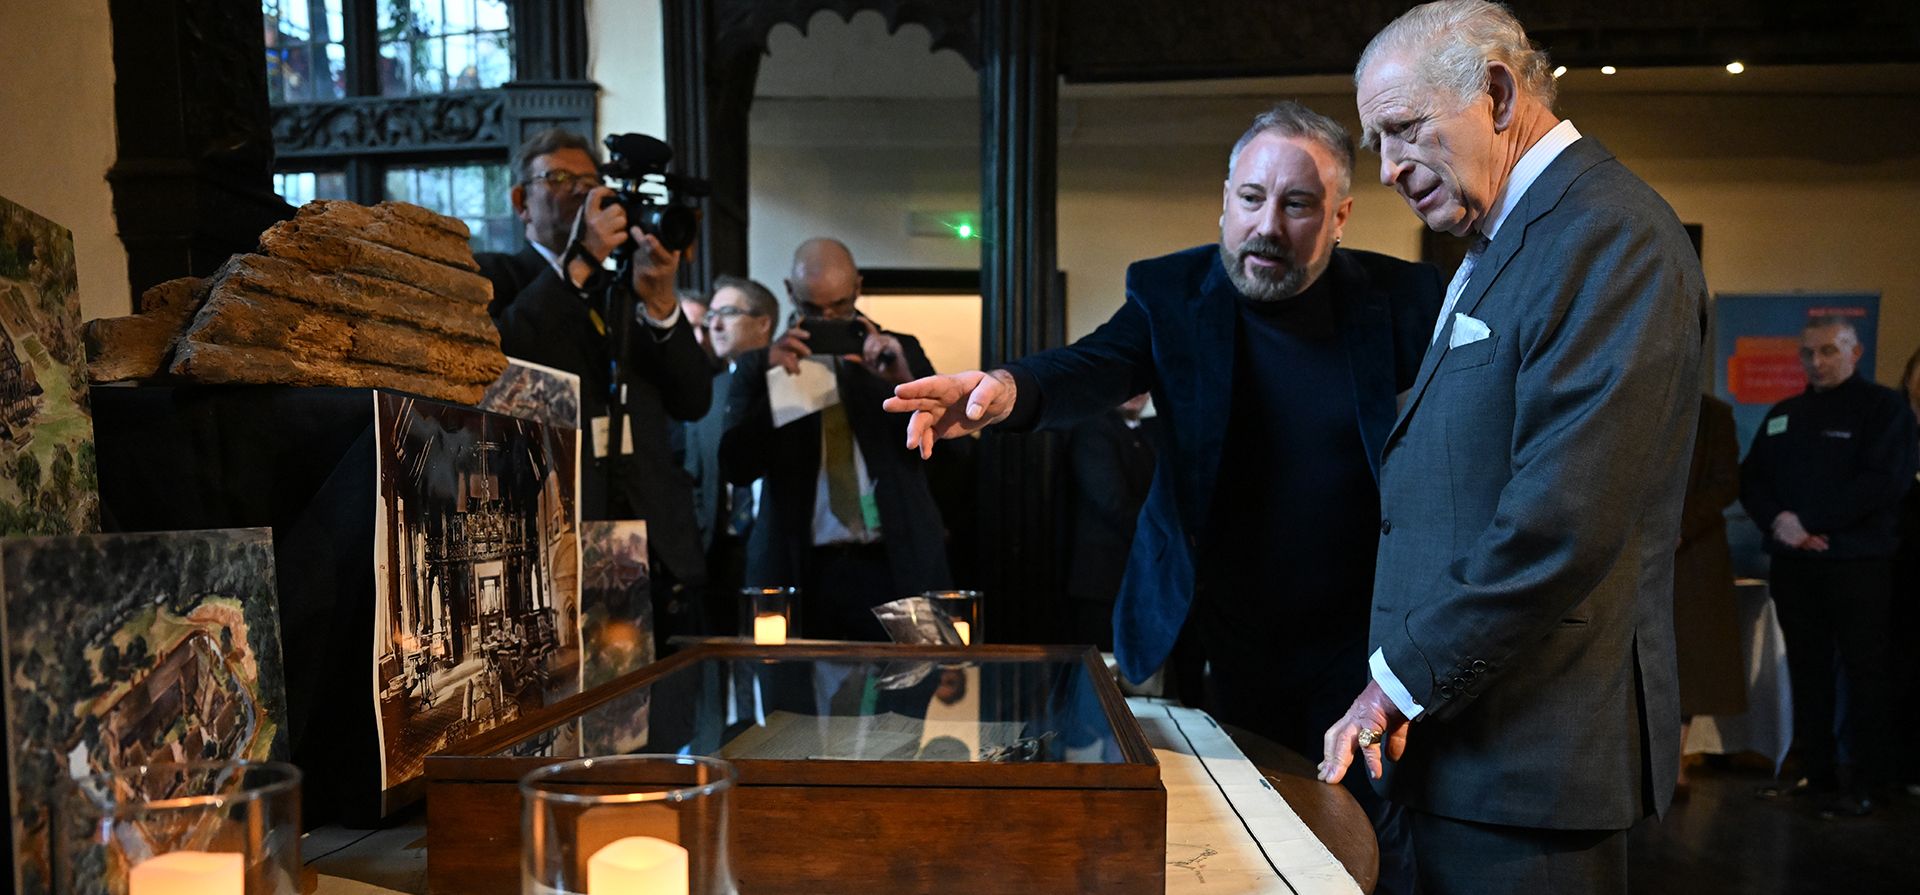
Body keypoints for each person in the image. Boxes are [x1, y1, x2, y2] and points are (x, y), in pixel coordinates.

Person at [883, 102, 1440, 894]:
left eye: (1297, 203)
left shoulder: (1411, 301)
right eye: (1250, 198)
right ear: (1224, 200)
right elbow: (1095, 364)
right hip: (1218, 635)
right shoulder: (1171, 291)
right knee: (1236, 845)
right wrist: (1004, 389)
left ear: (1341, 215)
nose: (1267, 226)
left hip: (1360, 641)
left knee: (1367, 854)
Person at [1315, 3, 1708, 892]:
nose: (1386, 169)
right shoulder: (1510, 236)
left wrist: (1398, 683)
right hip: (1467, 754)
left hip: (1533, 764)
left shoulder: (1611, 233)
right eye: (1377, 141)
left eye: (1404, 130)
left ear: (1495, 92)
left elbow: (1564, 516)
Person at [479, 128, 714, 643]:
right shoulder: (493, 278)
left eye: (590, 182)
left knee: (670, 715)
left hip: (655, 550)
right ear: (522, 200)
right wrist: (579, 262)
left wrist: (659, 302)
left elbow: (694, 400)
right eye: (559, 179)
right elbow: (502, 366)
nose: (580, 193)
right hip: (553, 545)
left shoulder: (623, 288)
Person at [720, 238, 951, 641]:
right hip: (800, 569)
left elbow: (950, 458)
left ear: (858, 288)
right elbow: (736, 467)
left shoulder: (898, 352)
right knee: (794, 699)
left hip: (896, 565)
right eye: (813, 310)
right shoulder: (761, 365)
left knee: (906, 691)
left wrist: (901, 382)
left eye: (839, 308)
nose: (827, 320)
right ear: (790, 293)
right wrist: (776, 388)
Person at [1740, 316, 1918, 816]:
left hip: (1858, 566)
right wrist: (1780, 522)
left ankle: (1869, 784)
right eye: (1808, 353)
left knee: (1866, 675)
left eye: (1828, 352)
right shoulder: (1785, 414)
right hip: (1795, 566)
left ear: (1854, 352)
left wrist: (1810, 520)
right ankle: (1814, 774)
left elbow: (1885, 482)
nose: (1816, 362)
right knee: (1807, 671)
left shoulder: (1884, 410)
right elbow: (1752, 479)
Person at [683, 275, 778, 628]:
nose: (716, 325)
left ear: (763, 322)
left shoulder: (793, 383)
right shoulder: (708, 392)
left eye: (728, 312)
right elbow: (694, 476)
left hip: (775, 551)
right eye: (711, 316)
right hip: (717, 559)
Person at [1672, 393, 1744, 796]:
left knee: (1689, 660)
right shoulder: (1629, 398)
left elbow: (1725, 483)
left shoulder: (1714, 415)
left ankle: (1676, 761)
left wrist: (1680, 525)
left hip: (1691, 551)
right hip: (1638, 546)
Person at [1064, 393, 1159, 652]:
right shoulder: (1093, 429)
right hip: (1102, 579)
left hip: (1140, 574)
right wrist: (1167, 535)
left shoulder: (1148, 431)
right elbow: (1113, 503)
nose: (1136, 392)